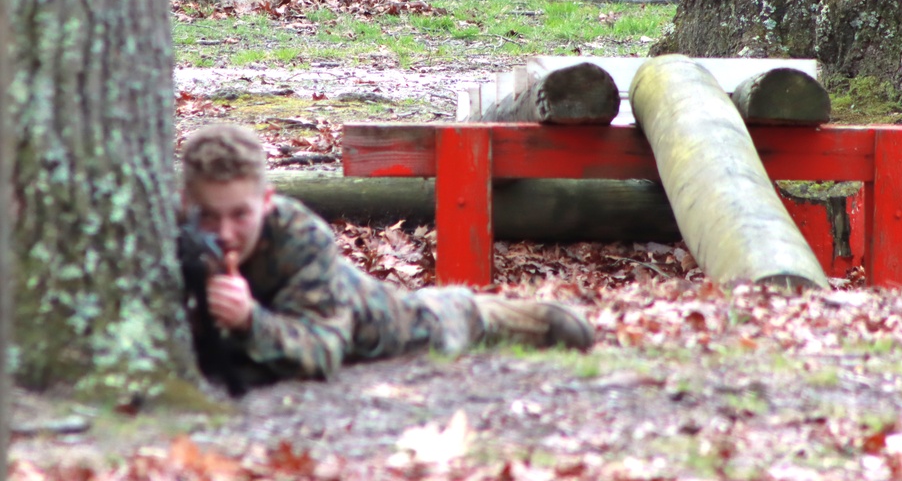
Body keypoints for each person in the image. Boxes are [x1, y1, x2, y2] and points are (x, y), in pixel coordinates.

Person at [178, 124, 594, 392]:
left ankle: (513, 315)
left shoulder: (301, 238)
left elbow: (323, 351)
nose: (225, 233)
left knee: (443, 319)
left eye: (240, 215)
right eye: (209, 217)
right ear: (184, 204)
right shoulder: (166, 233)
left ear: (267, 202)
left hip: (367, 318)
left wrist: (251, 321)